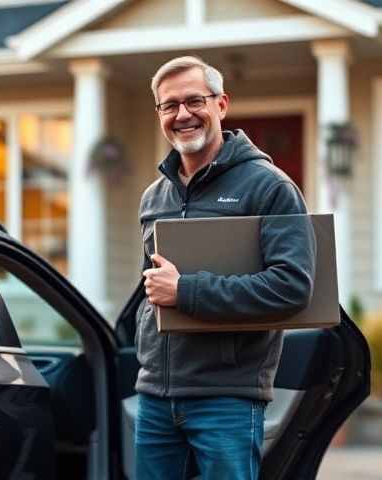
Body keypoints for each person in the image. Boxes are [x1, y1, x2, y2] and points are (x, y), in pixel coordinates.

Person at [135, 56, 317, 479]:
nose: (183, 114)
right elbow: (151, 283)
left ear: (221, 104)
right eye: (169, 105)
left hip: (226, 399)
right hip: (156, 394)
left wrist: (186, 292)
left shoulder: (269, 186)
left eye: (194, 100)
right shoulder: (153, 196)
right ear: (160, 114)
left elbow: (291, 287)